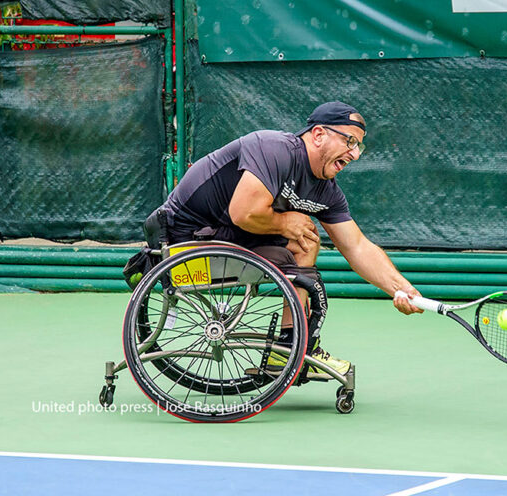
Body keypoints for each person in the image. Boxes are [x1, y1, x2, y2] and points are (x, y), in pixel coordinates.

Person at [153, 101, 422, 379]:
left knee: (306, 239)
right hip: (183, 239)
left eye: (359, 147)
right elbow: (243, 212)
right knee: (300, 230)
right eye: (350, 141)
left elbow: (357, 246)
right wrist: (284, 221)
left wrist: (401, 289)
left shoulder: (326, 191)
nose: (354, 154)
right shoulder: (274, 149)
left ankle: (287, 348)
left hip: (223, 238)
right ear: (319, 135)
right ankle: (294, 347)